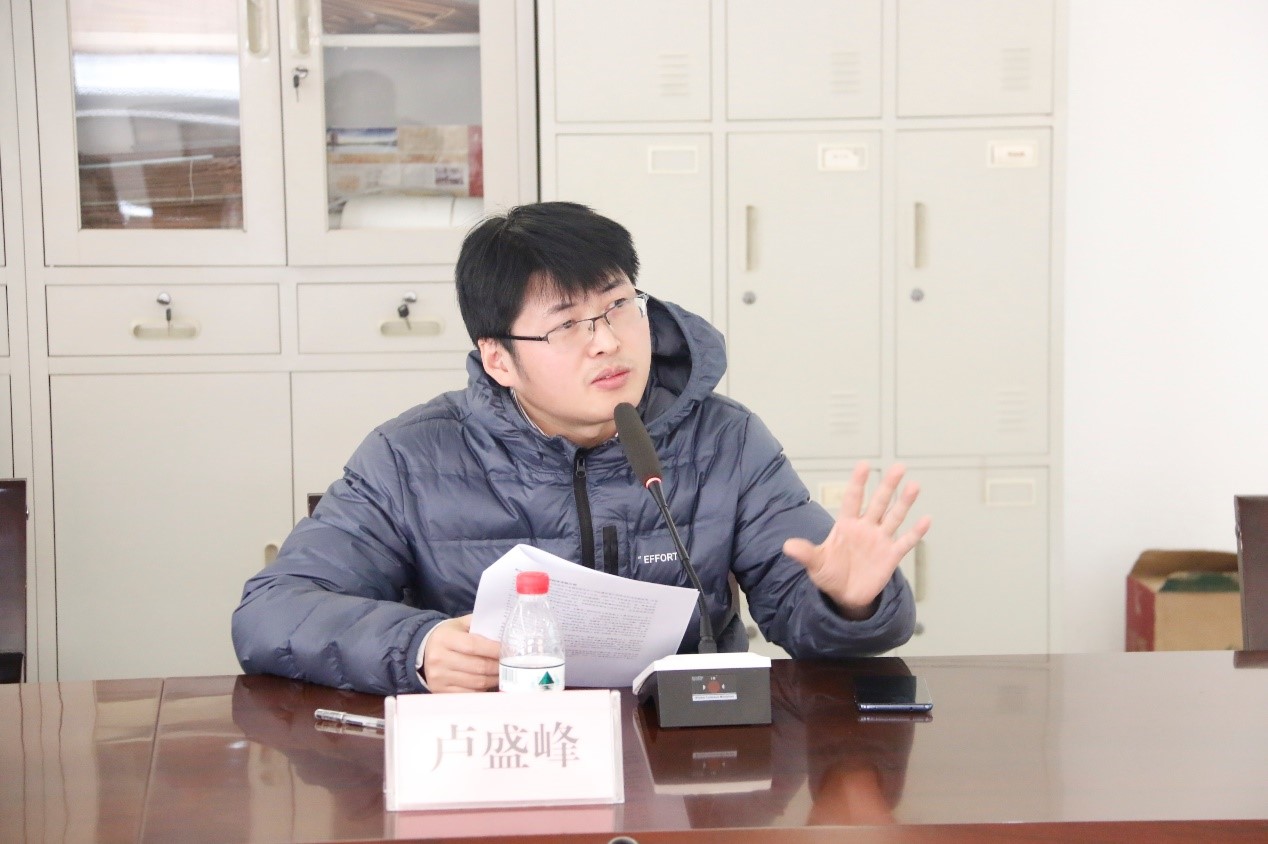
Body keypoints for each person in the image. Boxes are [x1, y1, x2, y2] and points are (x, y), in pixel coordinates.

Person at [232, 202, 930, 695]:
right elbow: (272, 612)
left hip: (684, 754)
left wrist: (851, 603)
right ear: (499, 360)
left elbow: (809, 624)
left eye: (617, 305)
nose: (606, 341)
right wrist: (415, 649)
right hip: (499, 755)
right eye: (566, 325)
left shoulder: (725, 440)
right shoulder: (410, 457)